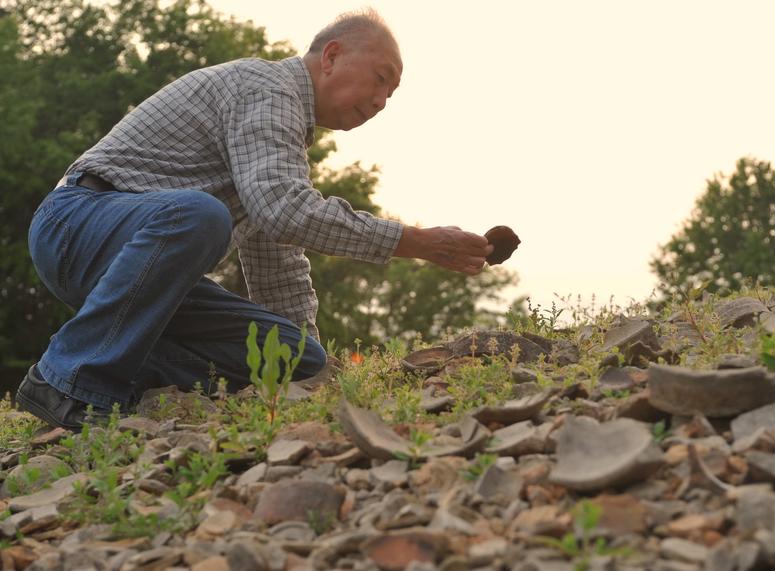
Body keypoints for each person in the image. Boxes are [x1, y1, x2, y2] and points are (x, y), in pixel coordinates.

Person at [16, 9, 492, 430]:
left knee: (292, 356)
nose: (382, 101)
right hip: (77, 225)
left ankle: (120, 389)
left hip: (142, 276)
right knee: (200, 214)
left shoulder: (280, 143)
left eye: (392, 93)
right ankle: (67, 380)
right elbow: (285, 210)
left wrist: (317, 369)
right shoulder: (267, 88)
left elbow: (277, 257)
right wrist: (415, 242)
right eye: (380, 78)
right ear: (331, 57)